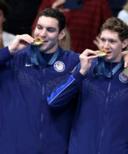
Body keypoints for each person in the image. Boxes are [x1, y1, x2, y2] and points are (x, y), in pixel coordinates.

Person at [47, 17, 128, 154]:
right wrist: (80, 73)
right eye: (103, 39)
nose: (106, 45)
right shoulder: (85, 68)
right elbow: (54, 102)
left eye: (112, 41)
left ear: (124, 43)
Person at [0, 8, 79, 153]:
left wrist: (126, 55)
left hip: (54, 149)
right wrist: (9, 50)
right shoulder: (14, 58)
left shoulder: (73, 62)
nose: (42, 34)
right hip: (13, 148)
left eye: (50, 30)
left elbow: (109, 66)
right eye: (39, 27)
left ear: (61, 34)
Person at [37, 0, 112, 52]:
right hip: (54, 59)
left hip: (86, 60)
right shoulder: (51, 1)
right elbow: (37, 29)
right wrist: (53, 13)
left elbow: (110, 32)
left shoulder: (99, 3)